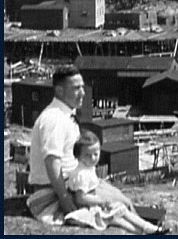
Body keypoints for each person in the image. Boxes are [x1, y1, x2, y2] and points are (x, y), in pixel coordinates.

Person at [26, 65, 134, 225]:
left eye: (82, 87)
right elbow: (52, 161)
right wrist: (64, 197)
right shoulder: (54, 119)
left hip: (76, 183)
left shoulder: (65, 115)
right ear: (60, 91)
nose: (82, 93)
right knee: (122, 205)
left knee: (123, 200)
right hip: (55, 190)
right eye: (76, 88)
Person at [64, 130, 163, 234]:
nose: (93, 158)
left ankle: (147, 230)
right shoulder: (81, 174)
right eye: (88, 155)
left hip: (93, 205)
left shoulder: (87, 168)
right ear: (78, 156)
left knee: (119, 214)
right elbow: (80, 198)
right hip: (87, 209)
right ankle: (147, 229)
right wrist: (101, 201)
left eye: (95, 154)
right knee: (119, 213)